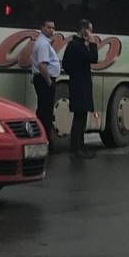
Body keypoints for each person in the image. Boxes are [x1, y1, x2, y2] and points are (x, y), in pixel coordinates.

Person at [62, 19, 98, 158]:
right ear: (84, 30)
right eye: (90, 30)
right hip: (80, 84)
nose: (91, 33)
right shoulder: (77, 45)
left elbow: (66, 64)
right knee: (79, 117)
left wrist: (74, 73)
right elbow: (93, 58)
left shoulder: (74, 44)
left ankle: (80, 146)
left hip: (77, 82)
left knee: (81, 116)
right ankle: (76, 147)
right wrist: (93, 42)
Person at [31, 19, 60, 147]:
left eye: (53, 28)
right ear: (42, 27)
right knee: (46, 112)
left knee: (44, 110)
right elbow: (42, 66)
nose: (52, 30)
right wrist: (49, 82)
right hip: (45, 79)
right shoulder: (43, 44)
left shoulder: (43, 43)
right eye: (49, 27)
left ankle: (42, 138)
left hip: (42, 79)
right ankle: (46, 140)